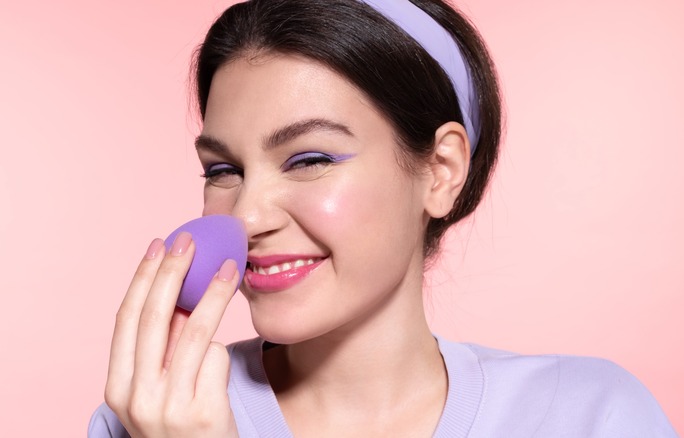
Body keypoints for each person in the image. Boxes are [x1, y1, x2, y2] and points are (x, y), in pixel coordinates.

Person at [88, 0, 676, 436]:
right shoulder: (153, 414)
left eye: (310, 158)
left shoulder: (588, 415)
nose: (247, 216)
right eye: (222, 170)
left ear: (441, 170)